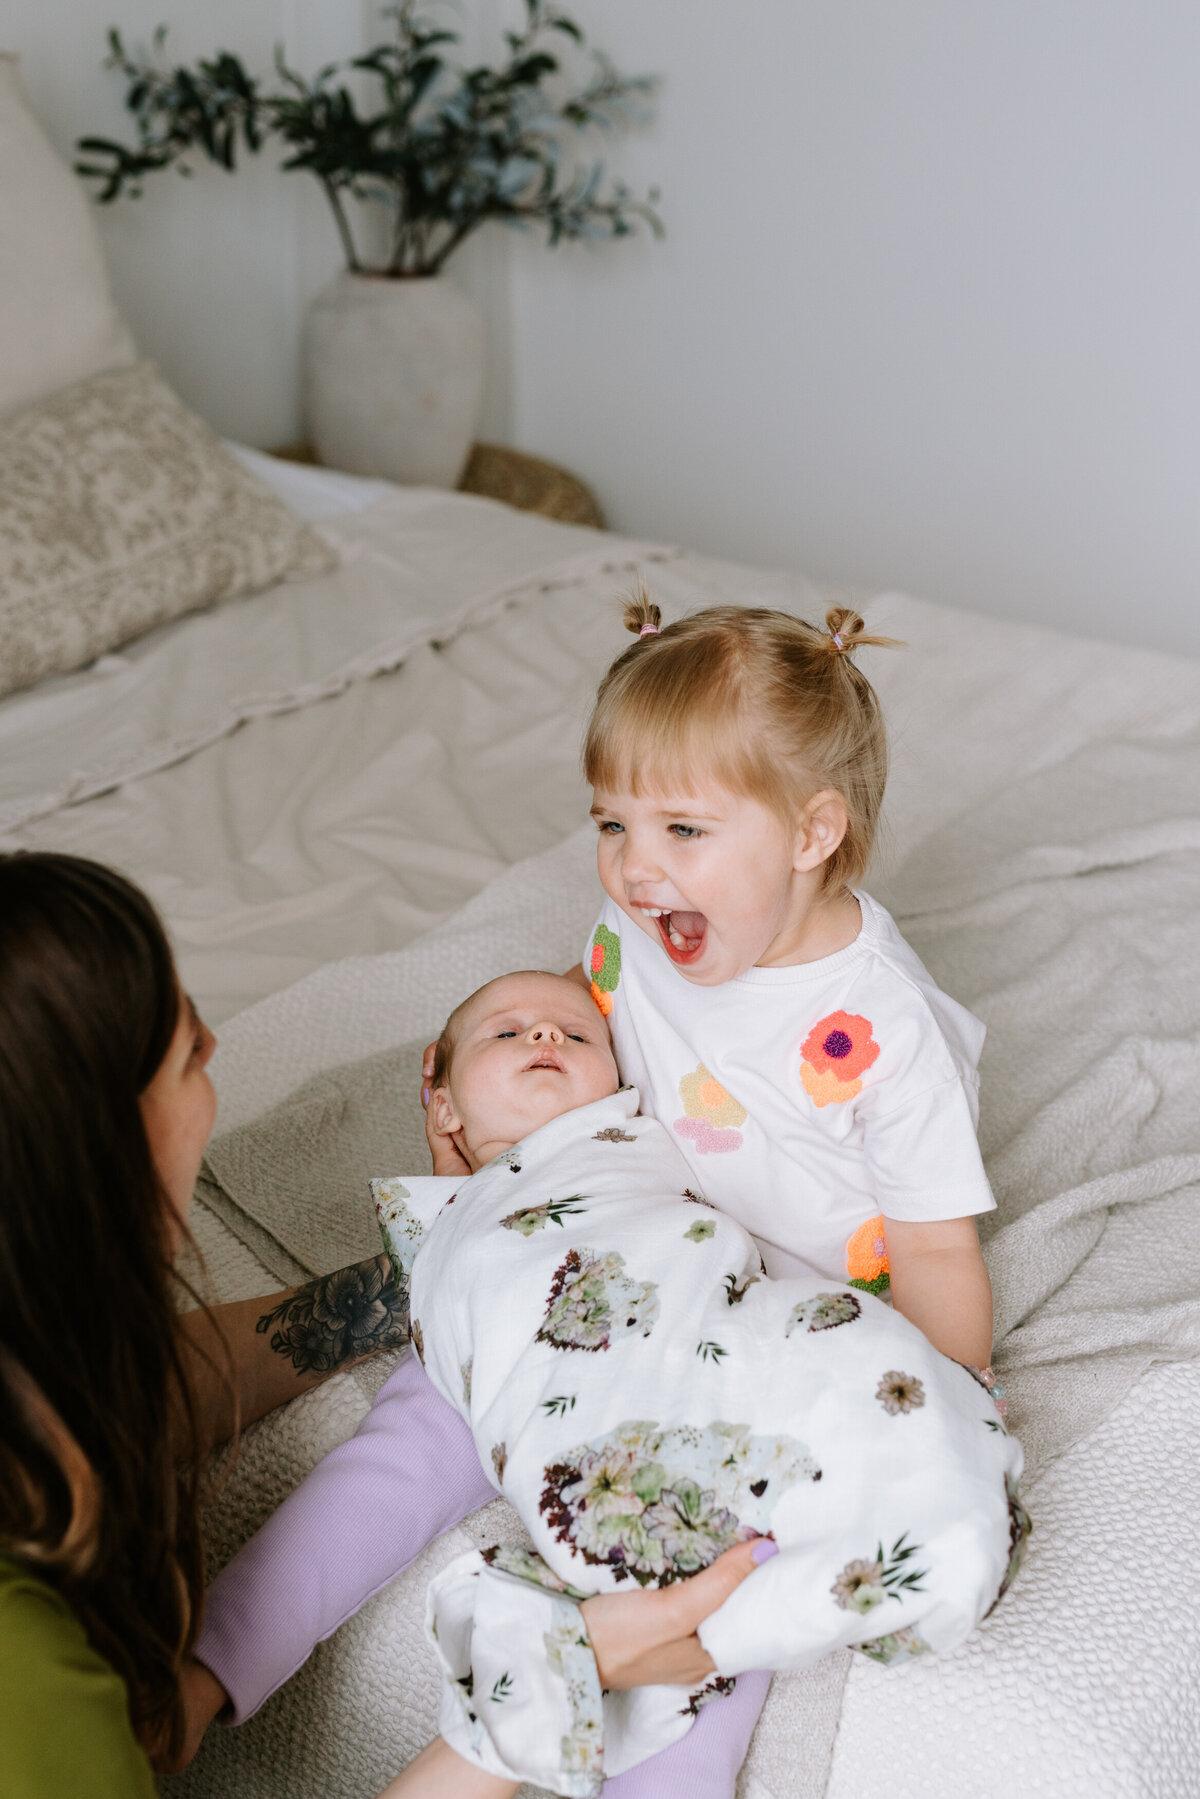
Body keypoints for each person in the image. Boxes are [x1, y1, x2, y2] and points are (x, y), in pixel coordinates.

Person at [190, 599, 1003, 1791]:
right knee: (418, 1427)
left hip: (763, 1330)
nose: (634, 863)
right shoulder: (642, 923)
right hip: (619, 1254)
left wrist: (949, 1411)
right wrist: (504, 1104)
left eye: (681, 825)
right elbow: (594, 1010)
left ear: (812, 832)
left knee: (701, 1623)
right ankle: (208, 1668)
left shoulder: (880, 1030)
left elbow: (936, 1252)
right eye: (613, 821)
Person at [195, 969, 1024, 1798]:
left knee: (709, 1623)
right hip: (483, 1354)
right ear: (441, 1101)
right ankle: (204, 1672)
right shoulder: (438, 1220)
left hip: (672, 1363)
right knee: (367, 1487)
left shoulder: (644, 1138)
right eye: (507, 1033)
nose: (546, 1037)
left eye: (575, 1034)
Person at [0, 852, 412, 1795]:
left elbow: (109, 1390)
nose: (216, 1041)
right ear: (96, 1158)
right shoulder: (26, 1682)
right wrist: (515, 1722)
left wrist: (407, 1285)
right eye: (184, 1049)